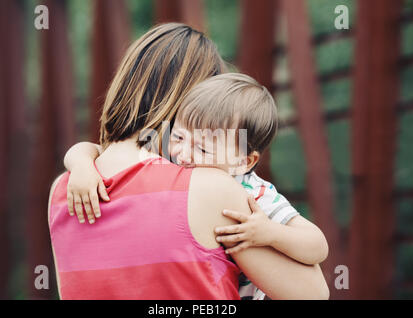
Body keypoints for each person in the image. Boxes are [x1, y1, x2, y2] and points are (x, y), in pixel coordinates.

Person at [49, 23, 330, 299]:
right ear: (192, 102)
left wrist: (82, 161)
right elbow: (313, 293)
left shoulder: (63, 191)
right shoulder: (211, 188)